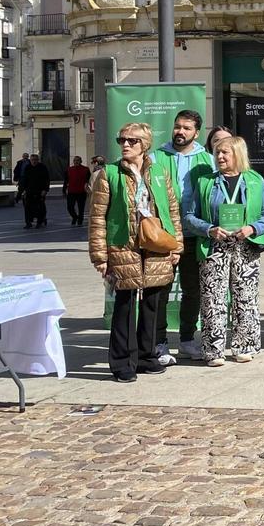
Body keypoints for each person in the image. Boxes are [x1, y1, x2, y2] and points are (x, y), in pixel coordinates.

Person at [88, 123, 182, 382]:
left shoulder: (160, 172)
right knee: (125, 304)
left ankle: (146, 356)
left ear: (145, 145)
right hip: (123, 245)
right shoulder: (109, 174)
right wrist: (100, 256)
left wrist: (177, 246)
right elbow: (97, 217)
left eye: (132, 141)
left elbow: (172, 211)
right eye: (122, 140)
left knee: (152, 303)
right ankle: (122, 363)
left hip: (156, 245)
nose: (126, 145)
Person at [184, 135, 264, 365]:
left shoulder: (254, 180)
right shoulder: (206, 182)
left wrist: (252, 228)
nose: (220, 157)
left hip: (245, 246)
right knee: (213, 299)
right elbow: (189, 216)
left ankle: (245, 345)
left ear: (238, 154)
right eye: (217, 153)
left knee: (246, 298)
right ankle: (213, 350)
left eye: (225, 152)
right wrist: (208, 229)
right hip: (215, 247)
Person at [155, 109, 215, 364]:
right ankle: (158, 343)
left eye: (187, 128)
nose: (180, 131)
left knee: (193, 291)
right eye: (178, 126)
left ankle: (188, 340)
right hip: (163, 237)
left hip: (194, 236)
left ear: (196, 133)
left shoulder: (207, 160)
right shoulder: (155, 157)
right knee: (160, 291)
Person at [20, 153, 50, 229]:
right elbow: (25, 180)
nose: (34, 161)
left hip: (40, 191)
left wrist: (45, 190)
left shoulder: (42, 167)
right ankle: (28, 222)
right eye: (32, 160)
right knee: (27, 207)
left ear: (38, 160)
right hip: (29, 190)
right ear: (30, 160)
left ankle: (40, 221)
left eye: (35, 160)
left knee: (40, 207)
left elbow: (47, 179)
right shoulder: (28, 167)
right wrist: (23, 190)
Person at [65, 156, 91, 225]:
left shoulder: (85, 169)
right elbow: (66, 180)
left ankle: (80, 220)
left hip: (82, 192)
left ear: (81, 161)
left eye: (78, 160)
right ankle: (75, 217)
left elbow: (88, 179)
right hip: (71, 191)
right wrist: (64, 189)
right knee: (70, 207)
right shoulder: (69, 169)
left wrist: (88, 188)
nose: (76, 162)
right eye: (75, 160)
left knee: (81, 208)